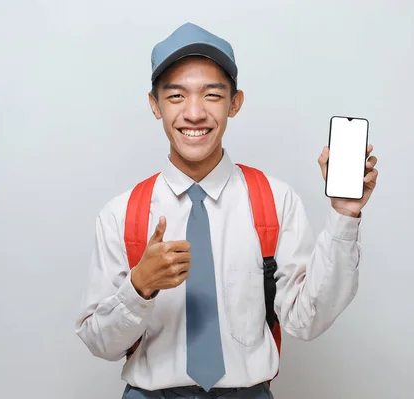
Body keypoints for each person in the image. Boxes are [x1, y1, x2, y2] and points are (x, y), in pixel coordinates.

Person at [75, 22, 379, 399]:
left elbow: (307, 321)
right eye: (175, 97)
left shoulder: (275, 200)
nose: (194, 113)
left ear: (235, 103)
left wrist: (345, 215)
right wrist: (140, 287)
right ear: (154, 104)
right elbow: (100, 344)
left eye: (212, 95)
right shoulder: (122, 214)